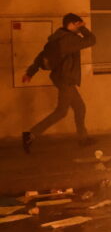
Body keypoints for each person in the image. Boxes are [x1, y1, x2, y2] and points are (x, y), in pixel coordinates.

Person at [21, 14, 98, 153]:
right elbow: (91, 40)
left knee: (79, 107)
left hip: (62, 78)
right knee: (61, 111)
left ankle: (83, 138)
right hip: (65, 80)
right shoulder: (69, 40)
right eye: (79, 24)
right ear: (73, 24)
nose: (81, 26)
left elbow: (41, 56)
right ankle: (31, 135)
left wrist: (30, 73)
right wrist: (83, 28)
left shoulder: (57, 37)